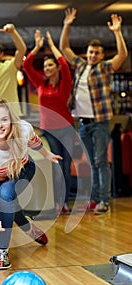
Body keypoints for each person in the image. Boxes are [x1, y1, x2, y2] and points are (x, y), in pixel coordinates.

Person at [0, 99, 62, 269]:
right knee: (9, 203)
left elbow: (34, 142)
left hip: (24, 170)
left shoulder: (22, 129)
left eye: (4, 119)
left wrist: (47, 154)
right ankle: (31, 229)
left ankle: (2, 250)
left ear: (11, 120)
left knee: (6, 196)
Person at [59, 8, 128, 214]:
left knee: (100, 161)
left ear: (101, 55)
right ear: (86, 54)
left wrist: (117, 32)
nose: (93, 55)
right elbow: (64, 48)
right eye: (90, 52)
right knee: (90, 163)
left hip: (99, 122)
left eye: (96, 53)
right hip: (83, 123)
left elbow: (122, 54)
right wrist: (66, 25)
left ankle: (103, 200)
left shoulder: (105, 68)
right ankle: (93, 198)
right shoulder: (80, 65)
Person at [23, 30, 75, 215]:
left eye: (50, 65)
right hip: (50, 131)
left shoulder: (65, 83)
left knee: (66, 166)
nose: (47, 68)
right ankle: (56, 202)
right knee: (56, 167)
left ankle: (64, 202)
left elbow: (65, 64)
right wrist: (37, 47)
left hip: (67, 129)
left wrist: (52, 46)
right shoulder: (40, 83)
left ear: (57, 68)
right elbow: (26, 64)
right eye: (45, 66)